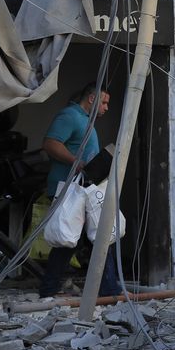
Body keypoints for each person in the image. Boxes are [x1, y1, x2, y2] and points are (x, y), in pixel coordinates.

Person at [39, 82, 122, 299]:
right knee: (83, 237)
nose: (106, 107)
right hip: (69, 188)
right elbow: (50, 143)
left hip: (82, 189)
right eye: (104, 102)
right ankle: (108, 290)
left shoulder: (85, 121)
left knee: (85, 238)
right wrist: (76, 162)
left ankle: (105, 289)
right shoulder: (70, 116)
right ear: (92, 99)